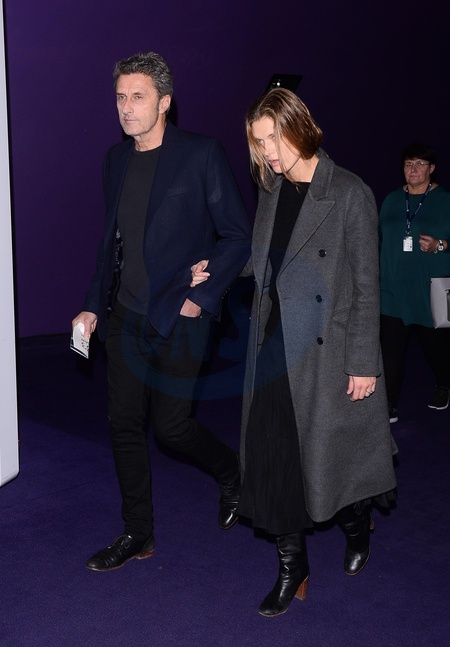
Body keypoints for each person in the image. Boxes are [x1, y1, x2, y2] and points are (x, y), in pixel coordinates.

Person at [193, 88, 397, 617]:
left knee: (330, 465)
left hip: (325, 355)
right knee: (273, 459)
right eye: (258, 143)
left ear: (300, 128)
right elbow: (263, 260)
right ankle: (292, 567)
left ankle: (357, 524)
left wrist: (363, 362)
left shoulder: (348, 192)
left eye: (273, 139)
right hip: (272, 349)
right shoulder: (272, 189)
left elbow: (366, 288)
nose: (267, 153)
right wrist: (215, 267)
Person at [72, 52, 251, 572]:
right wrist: (92, 305)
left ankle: (232, 471)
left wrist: (201, 298)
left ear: (165, 102)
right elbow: (111, 243)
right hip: (125, 316)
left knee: (172, 429)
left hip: (181, 315)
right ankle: (138, 532)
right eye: (120, 98)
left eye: (138, 97)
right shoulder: (115, 160)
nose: (126, 108)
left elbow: (237, 236)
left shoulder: (201, 154)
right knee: (123, 424)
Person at [379, 143, 450, 423]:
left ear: (432, 168)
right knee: (391, 349)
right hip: (393, 289)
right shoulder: (391, 200)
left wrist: (440, 245)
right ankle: (389, 404)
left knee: (436, 347)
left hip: (429, 290)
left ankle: (444, 384)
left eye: (420, 164)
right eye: (409, 164)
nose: (413, 169)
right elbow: (378, 239)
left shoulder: (445, 200)